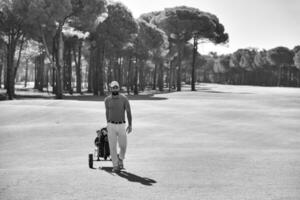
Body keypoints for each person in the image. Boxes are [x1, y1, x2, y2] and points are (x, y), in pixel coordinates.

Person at [104, 81, 132, 172]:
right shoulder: (107, 99)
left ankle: (120, 158)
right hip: (111, 125)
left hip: (121, 125)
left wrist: (130, 124)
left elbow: (128, 111)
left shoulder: (124, 99)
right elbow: (107, 112)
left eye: (116, 87)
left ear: (118, 88)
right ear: (111, 89)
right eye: (113, 87)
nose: (115, 88)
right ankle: (115, 165)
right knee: (112, 146)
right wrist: (108, 123)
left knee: (123, 146)